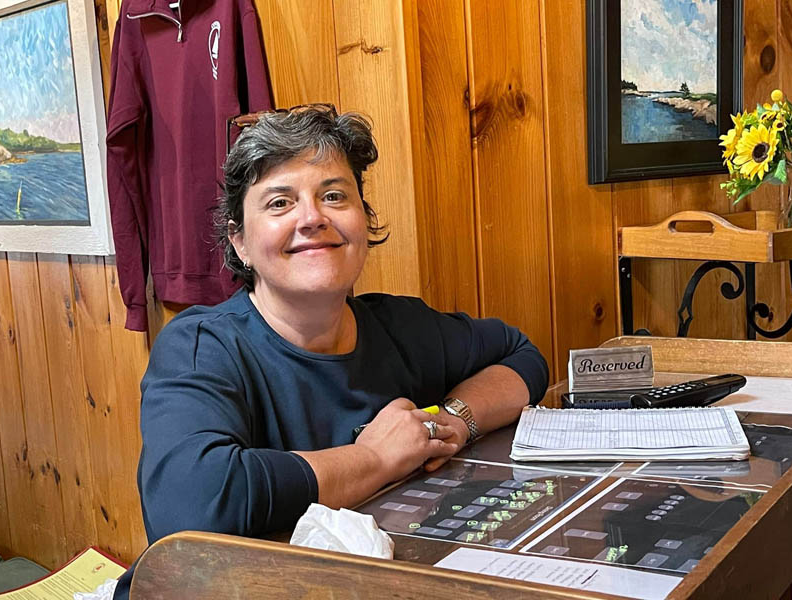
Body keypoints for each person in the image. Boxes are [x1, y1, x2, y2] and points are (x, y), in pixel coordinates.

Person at [113, 104, 548, 597]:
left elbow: (523, 357)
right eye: (279, 203)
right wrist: (374, 459)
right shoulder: (201, 347)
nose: (312, 217)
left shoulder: (400, 324)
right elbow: (193, 504)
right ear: (240, 243)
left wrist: (455, 419)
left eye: (335, 195)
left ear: (363, 220)